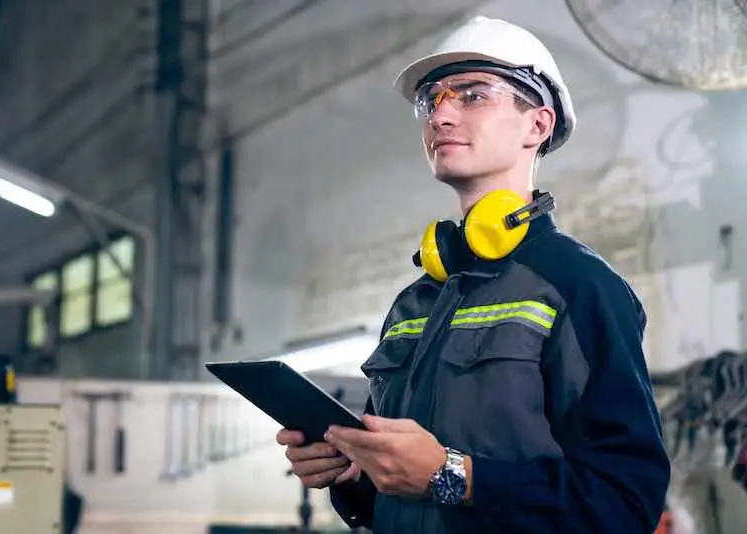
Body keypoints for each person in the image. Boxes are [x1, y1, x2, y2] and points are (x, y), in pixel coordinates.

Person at [276, 15, 671, 533]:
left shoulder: (579, 286)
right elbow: (394, 500)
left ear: (538, 124)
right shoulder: (412, 303)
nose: (439, 116)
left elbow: (625, 505)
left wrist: (452, 475)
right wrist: (352, 474)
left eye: (472, 95)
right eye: (430, 100)